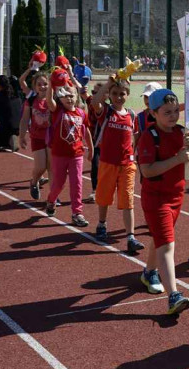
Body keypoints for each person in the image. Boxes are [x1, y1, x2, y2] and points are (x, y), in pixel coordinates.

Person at [136, 88, 189, 315]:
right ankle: (174, 295)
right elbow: (148, 170)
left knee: (160, 237)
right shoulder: (148, 136)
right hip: (156, 198)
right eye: (167, 112)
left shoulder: (182, 132)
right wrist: (177, 159)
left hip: (177, 196)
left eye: (175, 111)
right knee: (167, 244)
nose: (173, 116)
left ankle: (148, 272)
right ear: (153, 113)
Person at [89, 76, 145, 254]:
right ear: (109, 94)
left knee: (128, 199)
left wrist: (133, 154)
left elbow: (133, 137)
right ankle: (102, 224)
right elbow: (94, 102)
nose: (119, 97)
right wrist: (108, 83)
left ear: (128, 94)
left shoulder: (132, 115)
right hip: (108, 163)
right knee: (104, 196)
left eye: (122, 94)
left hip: (127, 164)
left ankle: (130, 237)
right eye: (115, 93)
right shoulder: (106, 111)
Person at [44, 84, 93, 227]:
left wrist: (91, 147)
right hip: (59, 155)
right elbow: (49, 101)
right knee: (58, 184)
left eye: (72, 95)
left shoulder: (81, 113)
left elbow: (86, 131)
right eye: (66, 96)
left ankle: (77, 212)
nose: (69, 98)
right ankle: (51, 200)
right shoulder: (57, 111)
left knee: (77, 183)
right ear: (60, 98)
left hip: (76, 154)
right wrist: (51, 85)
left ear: (77, 97)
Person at [19, 71, 52, 200]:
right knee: (41, 167)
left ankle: (53, 196)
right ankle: (34, 182)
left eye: (45, 84)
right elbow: (24, 119)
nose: (43, 86)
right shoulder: (31, 100)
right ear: (34, 86)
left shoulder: (54, 99)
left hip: (52, 138)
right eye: (39, 84)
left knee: (51, 167)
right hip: (37, 137)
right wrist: (21, 136)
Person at [0, 75, 23, 152]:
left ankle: (10, 139)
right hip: (19, 126)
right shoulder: (17, 95)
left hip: (5, 127)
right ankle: (11, 138)